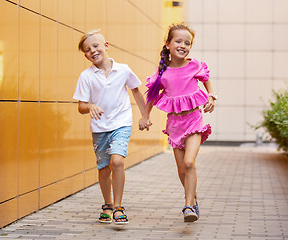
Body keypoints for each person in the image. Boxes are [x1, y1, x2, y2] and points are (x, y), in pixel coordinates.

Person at [139, 23, 217, 222]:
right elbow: (152, 95)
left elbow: (206, 79)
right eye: (179, 41)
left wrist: (211, 96)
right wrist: (145, 116)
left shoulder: (194, 65)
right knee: (181, 169)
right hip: (175, 125)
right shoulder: (163, 72)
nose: (183, 45)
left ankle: (188, 206)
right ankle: (193, 197)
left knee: (189, 163)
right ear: (168, 44)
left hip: (194, 121)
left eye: (187, 43)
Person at [73, 30, 151, 225]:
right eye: (88, 49)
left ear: (106, 45)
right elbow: (81, 106)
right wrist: (90, 106)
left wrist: (145, 116)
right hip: (100, 128)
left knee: (117, 161)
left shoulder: (123, 70)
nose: (93, 51)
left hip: (121, 123)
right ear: (86, 55)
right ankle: (107, 204)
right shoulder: (86, 76)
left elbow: (136, 91)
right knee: (104, 168)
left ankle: (118, 206)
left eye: (96, 46)